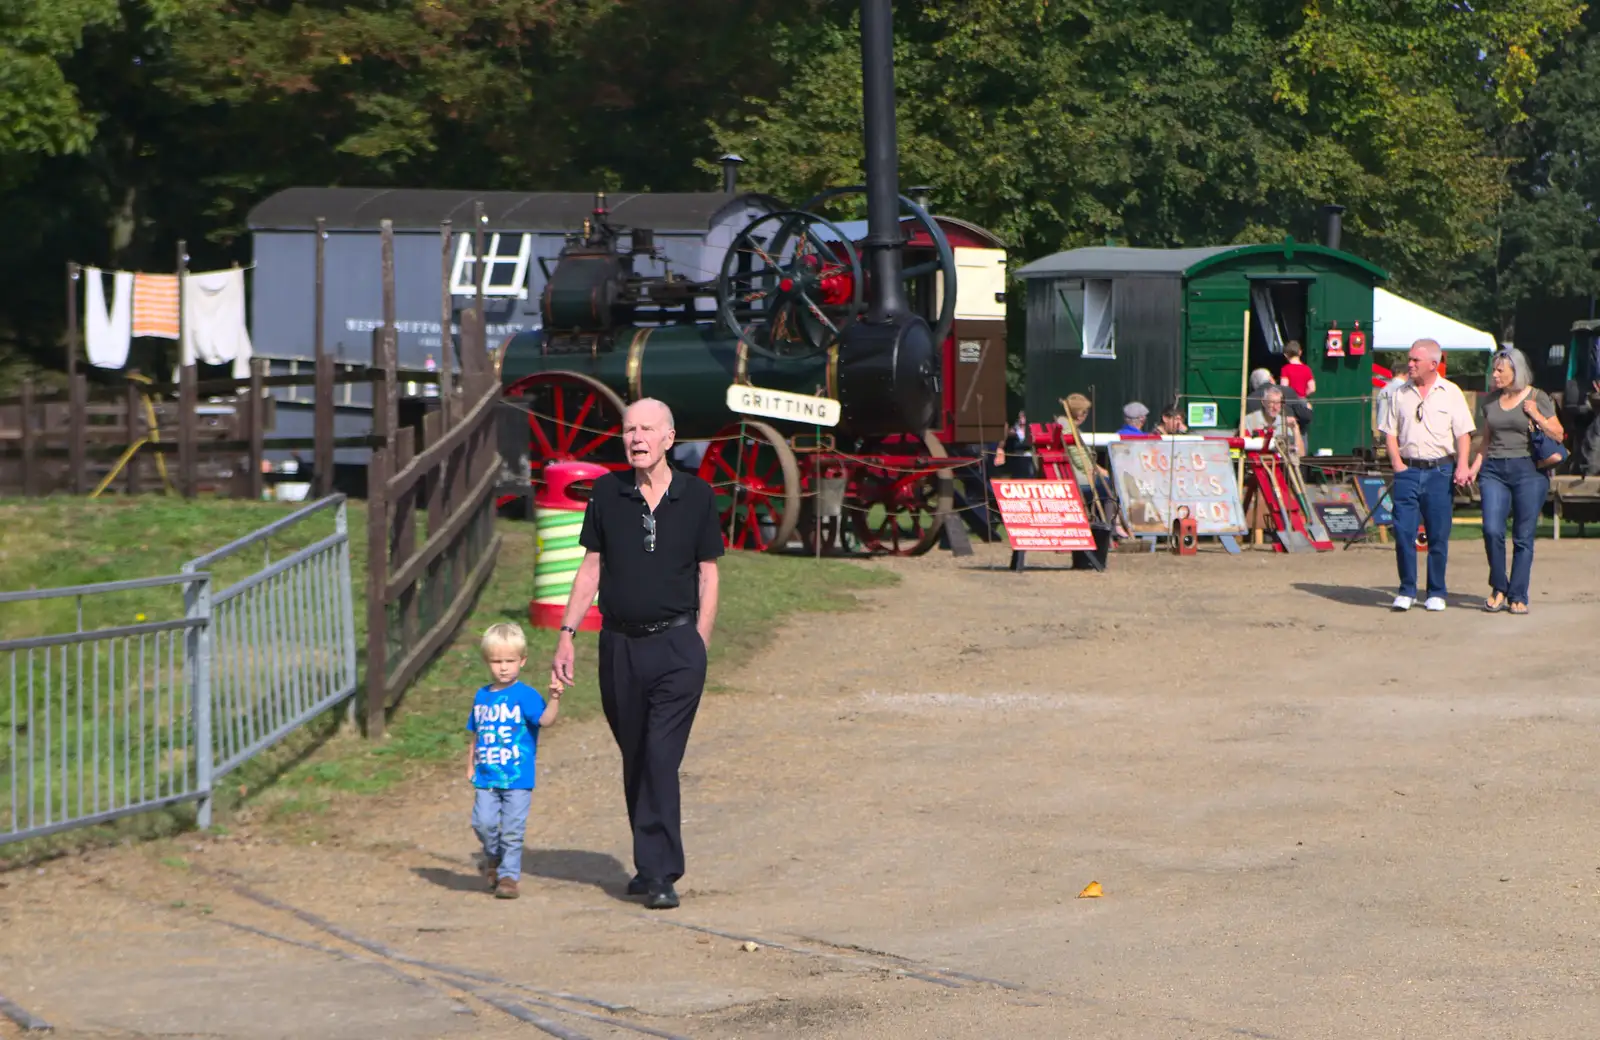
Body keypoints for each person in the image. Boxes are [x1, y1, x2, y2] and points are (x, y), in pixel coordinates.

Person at [549, 398, 723, 911]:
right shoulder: (607, 493)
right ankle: (649, 863)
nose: (636, 438)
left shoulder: (698, 496)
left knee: (661, 758)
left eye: (647, 429)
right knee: (636, 756)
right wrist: (566, 633)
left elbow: (708, 575)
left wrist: (699, 642)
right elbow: (590, 570)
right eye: (629, 430)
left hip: (676, 647)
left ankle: (661, 871)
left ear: (670, 438)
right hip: (619, 646)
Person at [1377, 338, 1475, 612]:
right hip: (1408, 470)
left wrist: (1463, 465)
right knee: (1403, 530)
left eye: (1415, 361)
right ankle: (1407, 589)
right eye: (1409, 359)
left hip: (1439, 471)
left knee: (1438, 534)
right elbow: (1390, 432)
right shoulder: (1399, 393)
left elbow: (1463, 433)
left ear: (1433, 364)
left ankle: (1436, 591)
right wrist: (1397, 463)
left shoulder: (1451, 392)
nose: (1409, 365)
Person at [1464, 348, 1563, 614]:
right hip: (1494, 470)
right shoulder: (1490, 402)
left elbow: (1560, 434)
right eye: (1493, 370)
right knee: (1491, 530)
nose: (1494, 375)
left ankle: (1518, 595)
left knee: (1523, 537)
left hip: (1528, 470)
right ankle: (1499, 586)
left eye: (1500, 370)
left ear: (1515, 372)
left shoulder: (1537, 397)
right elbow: (1486, 441)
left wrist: (1537, 416)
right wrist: (1474, 467)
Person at [468, 622, 561, 900]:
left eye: (510, 661)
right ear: (488, 662)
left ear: (522, 660)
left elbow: (545, 720)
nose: (504, 667)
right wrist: (470, 763)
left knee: (512, 828)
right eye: (497, 661)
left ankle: (509, 876)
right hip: (486, 776)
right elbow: (477, 733)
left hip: (518, 777)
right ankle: (493, 857)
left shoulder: (526, 696)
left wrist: (555, 698)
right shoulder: (481, 696)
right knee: (482, 823)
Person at [1242, 386, 1305, 456]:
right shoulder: (1249, 420)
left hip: (1279, 465)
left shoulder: (1285, 423)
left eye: (1278, 403)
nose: (1275, 407)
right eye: (1271, 403)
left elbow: (1300, 454)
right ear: (1263, 402)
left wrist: (1296, 430)